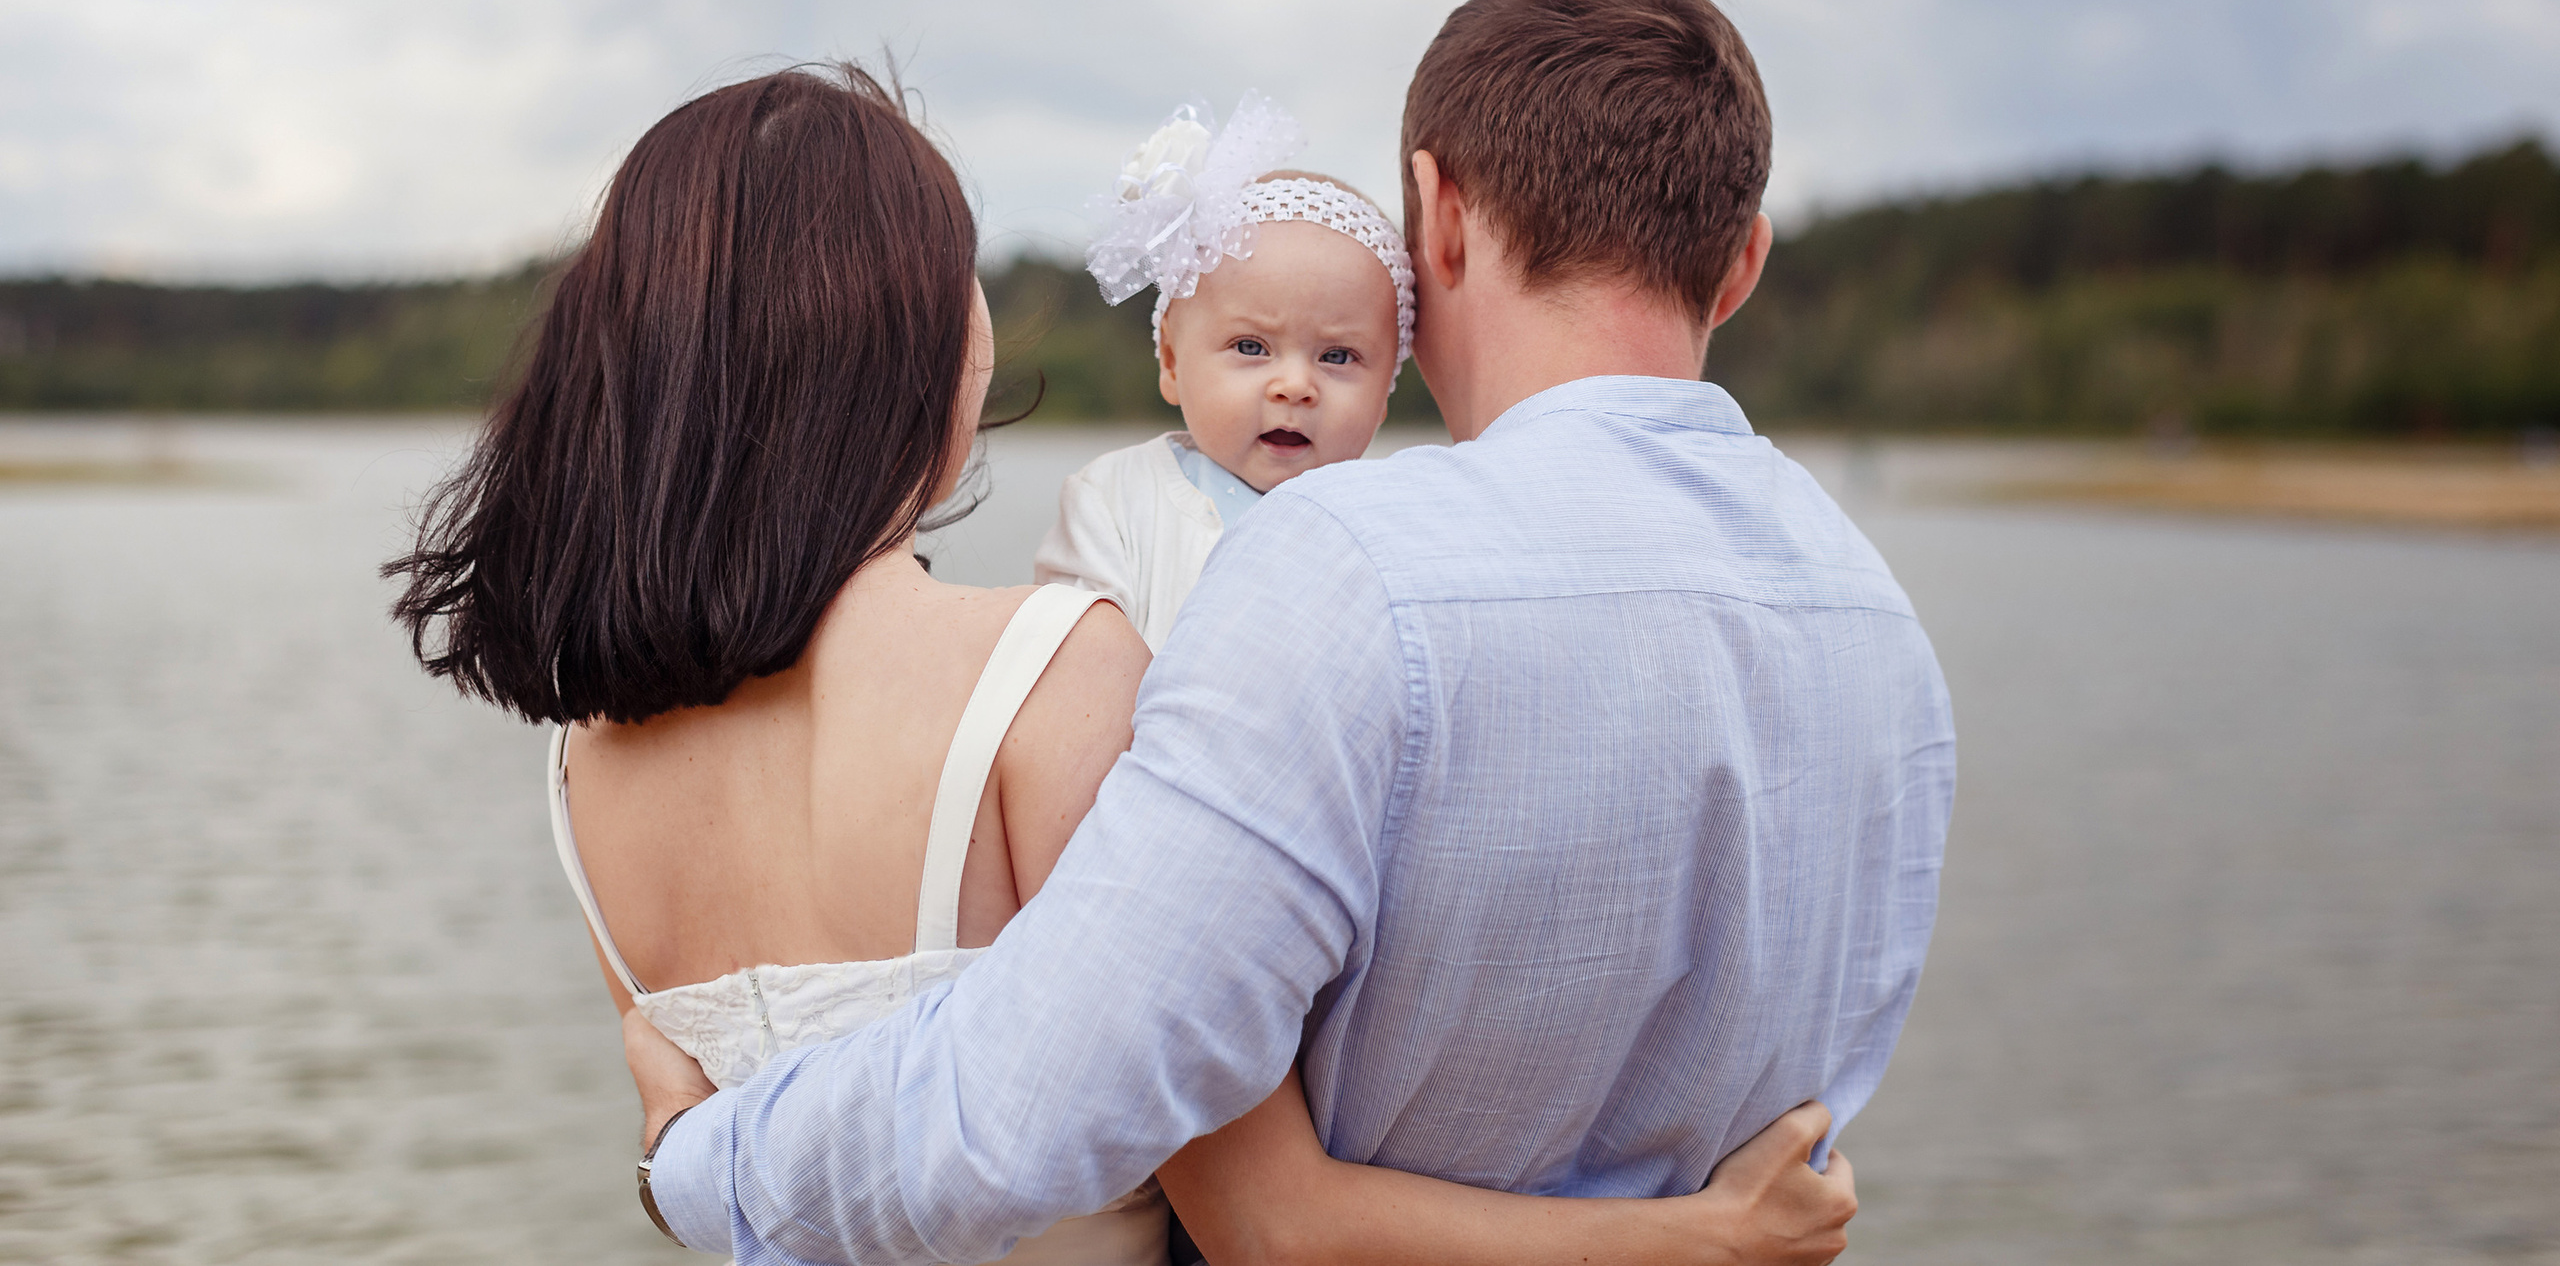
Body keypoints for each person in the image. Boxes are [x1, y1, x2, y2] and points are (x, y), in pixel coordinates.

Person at [386, 62, 1861, 1264]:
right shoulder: (1053, 674)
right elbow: (1275, 1217)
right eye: (957, 272)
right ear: (900, 338)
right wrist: (1706, 1233)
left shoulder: (587, 761)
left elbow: (708, 1139)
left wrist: (680, 1165)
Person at [1036, 94, 1414, 647]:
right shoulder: (1117, 501)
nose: (1294, 386)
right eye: (1251, 347)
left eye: (1337, 357)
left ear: (1385, 391)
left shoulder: (1390, 526)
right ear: (1170, 360)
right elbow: (1062, 672)